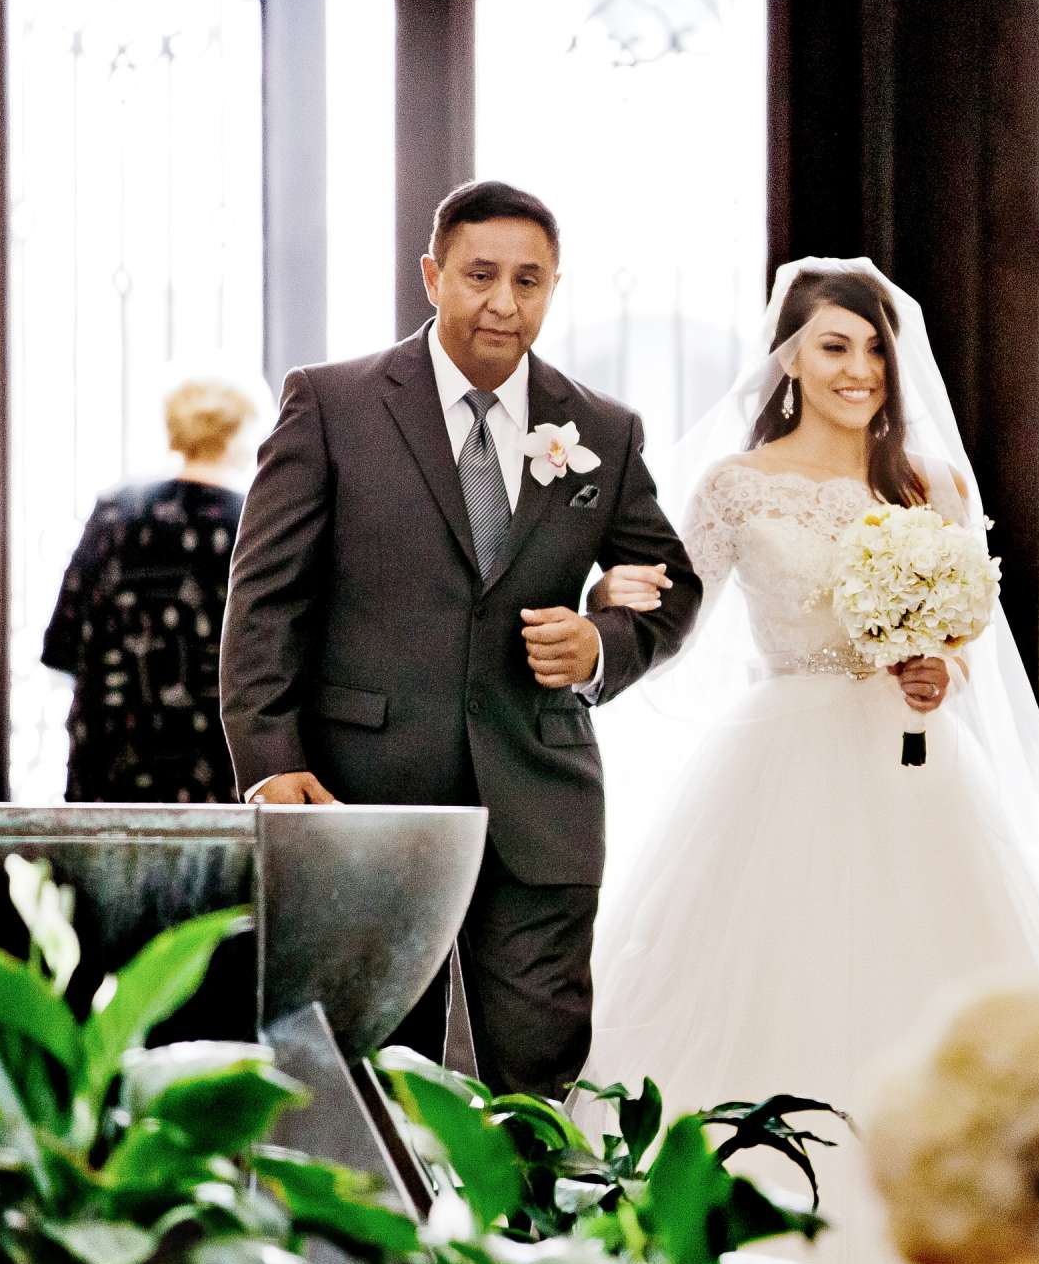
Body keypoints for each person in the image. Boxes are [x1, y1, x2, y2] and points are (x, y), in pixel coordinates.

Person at [583, 259, 1039, 1264]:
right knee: (765, 1018)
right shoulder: (740, 488)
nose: (858, 370)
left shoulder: (929, 483)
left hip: (916, 783)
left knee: (919, 1015)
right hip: (780, 770)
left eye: (875, 349)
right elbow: (668, 614)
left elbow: (963, 653)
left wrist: (933, 667)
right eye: (835, 346)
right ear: (789, 357)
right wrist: (597, 600)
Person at [219, 179, 703, 1097]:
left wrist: (601, 644)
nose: (504, 302)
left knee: (540, 1075)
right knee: (370, 1076)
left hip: (542, 795)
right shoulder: (332, 404)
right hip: (362, 799)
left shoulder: (601, 427)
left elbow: (670, 585)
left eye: (530, 280)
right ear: (433, 276)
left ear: (554, 289)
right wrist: (269, 758)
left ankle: (533, 1238)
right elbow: (264, 602)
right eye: (480, 275)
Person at [42, 373, 264, 803]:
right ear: (241, 433)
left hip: (112, 759)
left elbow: (62, 643)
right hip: (218, 766)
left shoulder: (113, 514)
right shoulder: (253, 522)